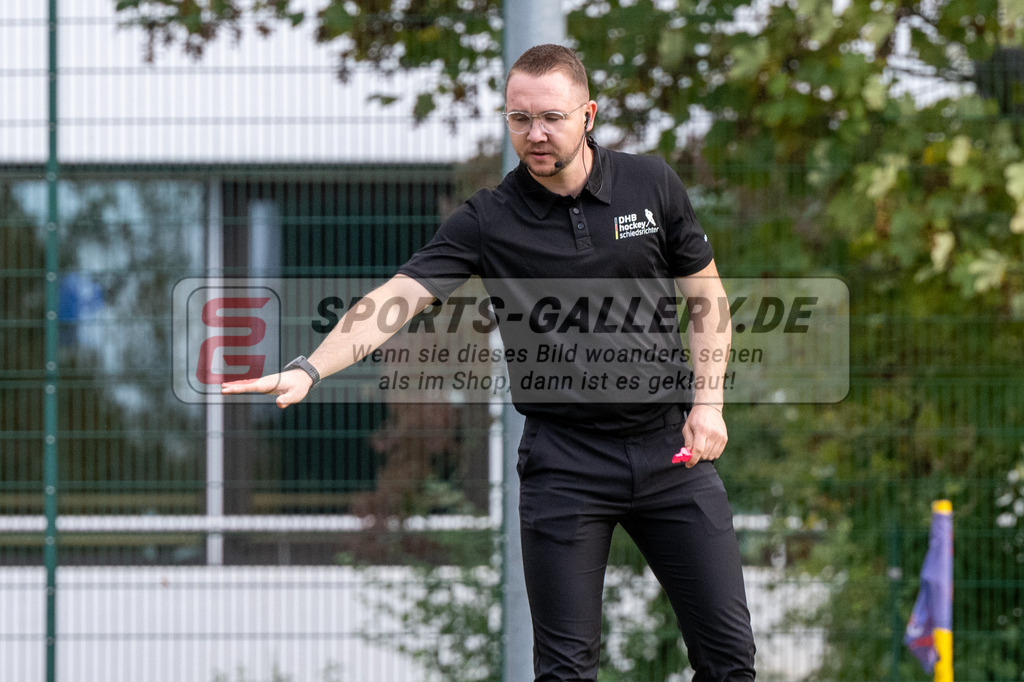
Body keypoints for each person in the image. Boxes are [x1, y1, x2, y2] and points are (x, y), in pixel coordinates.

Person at [223, 44, 756, 681]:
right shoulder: (488, 220)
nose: (535, 134)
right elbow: (395, 300)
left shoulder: (652, 184)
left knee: (730, 661)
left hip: (672, 451)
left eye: (552, 117)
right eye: (519, 118)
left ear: (588, 115)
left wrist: (708, 404)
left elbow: (706, 297)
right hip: (566, 463)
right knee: (565, 671)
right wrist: (310, 368)